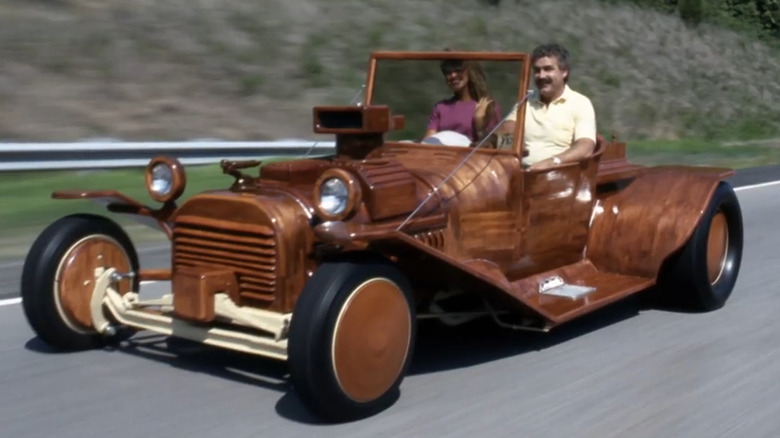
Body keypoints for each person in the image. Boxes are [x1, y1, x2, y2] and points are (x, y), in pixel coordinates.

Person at [499, 43, 596, 170]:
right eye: (537, 70)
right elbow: (508, 125)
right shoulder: (526, 100)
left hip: (558, 175)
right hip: (518, 172)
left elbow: (585, 146)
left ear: (564, 72)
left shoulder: (580, 103)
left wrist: (552, 161)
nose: (541, 76)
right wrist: (513, 139)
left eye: (548, 69)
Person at [423, 58, 503, 144]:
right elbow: (428, 142)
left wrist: (479, 125)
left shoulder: (487, 106)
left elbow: (492, 147)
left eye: (458, 70)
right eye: (448, 72)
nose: (453, 75)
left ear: (469, 72)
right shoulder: (440, 107)